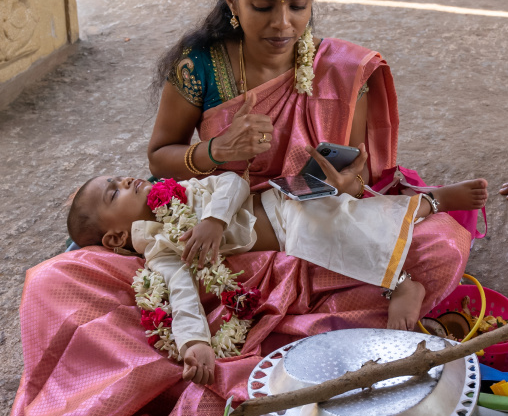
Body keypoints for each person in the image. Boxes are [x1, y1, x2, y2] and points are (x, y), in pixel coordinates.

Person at [9, 0, 478, 416]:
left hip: (305, 233)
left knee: (438, 244)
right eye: (262, 5)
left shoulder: (343, 69)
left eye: (298, 5)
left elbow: (355, 181)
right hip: (209, 229)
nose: (283, 23)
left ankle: (369, 300)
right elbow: (161, 156)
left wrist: (349, 179)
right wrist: (215, 154)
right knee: (54, 281)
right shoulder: (197, 64)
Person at [66, 165, 487, 386]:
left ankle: (422, 228)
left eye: (116, 177)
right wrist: (195, 344)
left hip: (281, 205)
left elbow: (232, 182)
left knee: (348, 219)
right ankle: (418, 227)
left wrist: (213, 219)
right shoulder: (160, 249)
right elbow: (182, 298)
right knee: (351, 228)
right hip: (288, 245)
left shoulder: (181, 192)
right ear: (117, 237)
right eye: (114, 192)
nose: (126, 180)